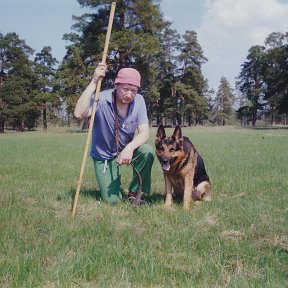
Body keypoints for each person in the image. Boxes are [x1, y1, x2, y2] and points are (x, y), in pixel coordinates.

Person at [74, 63, 154, 205]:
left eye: (134, 90)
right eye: (125, 89)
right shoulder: (102, 99)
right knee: (113, 201)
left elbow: (144, 134)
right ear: (116, 85)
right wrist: (94, 82)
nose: (129, 94)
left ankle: (134, 194)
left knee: (147, 151)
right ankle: (112, 192)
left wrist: (129, 148)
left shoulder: (139, 101)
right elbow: (79, 113)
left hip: (127, 149)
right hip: (104, 156)